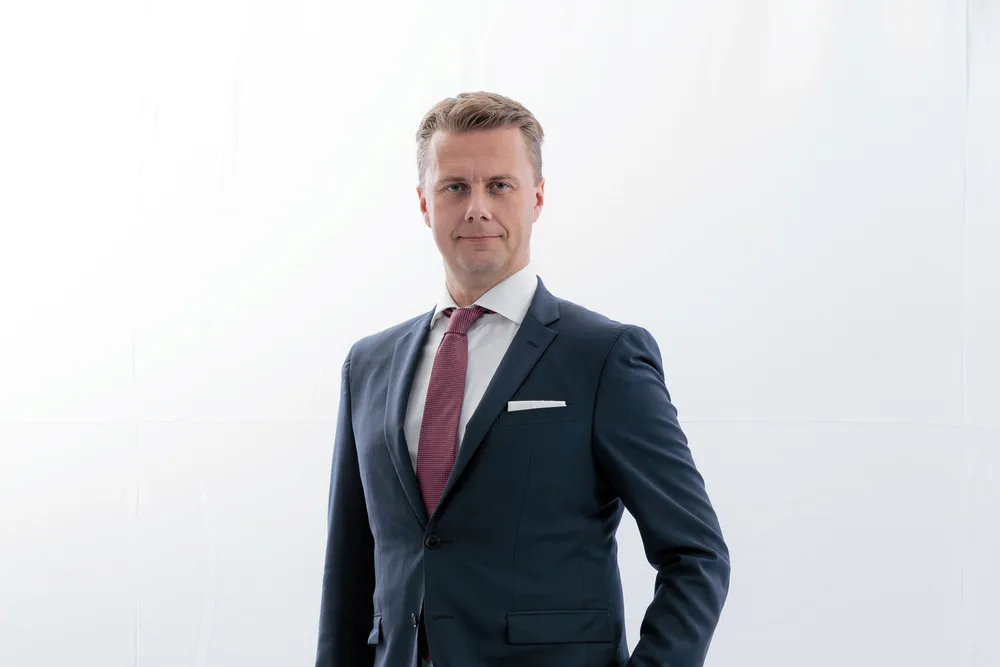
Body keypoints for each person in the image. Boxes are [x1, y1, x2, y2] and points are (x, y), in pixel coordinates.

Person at [314, 91, 730, 667]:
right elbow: (350, 575)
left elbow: (696, 556)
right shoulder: (368, 365)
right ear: (424, 203)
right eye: (454, 187)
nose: (476, 208)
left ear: (536, 197)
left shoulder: (603, 356)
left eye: (499, 185)